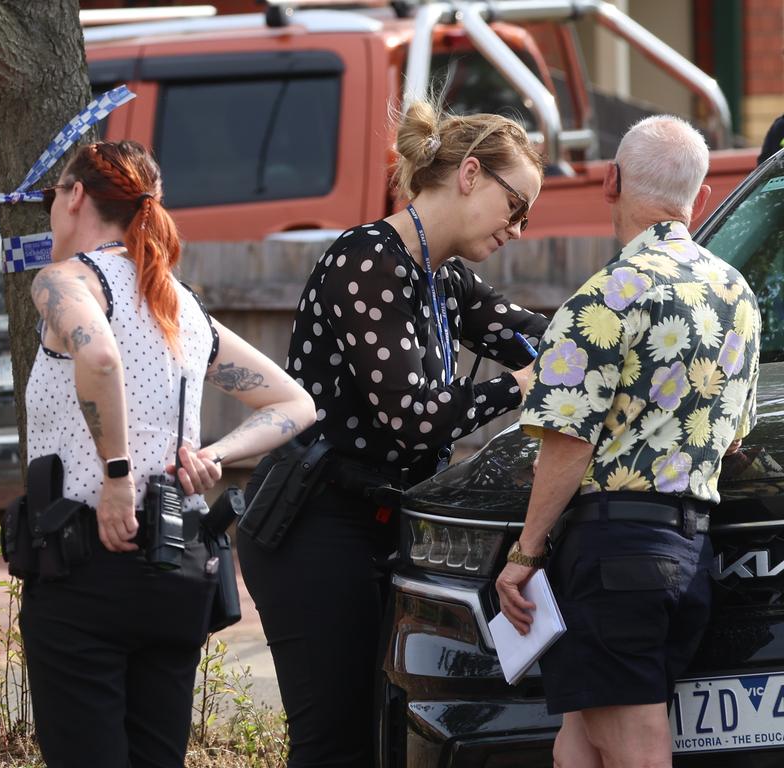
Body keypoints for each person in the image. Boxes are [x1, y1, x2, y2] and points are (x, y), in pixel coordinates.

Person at [237, 101, 549, 767]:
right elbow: (414, 415)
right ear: (469, 174)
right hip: (314, 524)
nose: (520, 229)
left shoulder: (443, 276)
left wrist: (606, 333)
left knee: (385, 738)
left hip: (381, 521)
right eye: (515, 205)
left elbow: (531, 335)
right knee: (336, 744)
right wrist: (516, 388)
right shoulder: (368, 262)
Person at [18, 139, 315, 768]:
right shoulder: (180, 303)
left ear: (74, 197)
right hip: (176, 565)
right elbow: (294, 404)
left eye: (53, 197)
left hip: (86, 559)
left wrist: (117, 476)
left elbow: (98, 356)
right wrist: (214, 453)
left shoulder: (66, 281)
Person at [497, 116, 761, 768]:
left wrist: (525, 553)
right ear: (699, 198)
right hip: (691, 549)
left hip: (613, 550)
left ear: (609, 181)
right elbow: (730, 437)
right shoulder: (737, 295)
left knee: (635, 746)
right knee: (582, 738)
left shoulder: (602, 299)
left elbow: (567, 442)